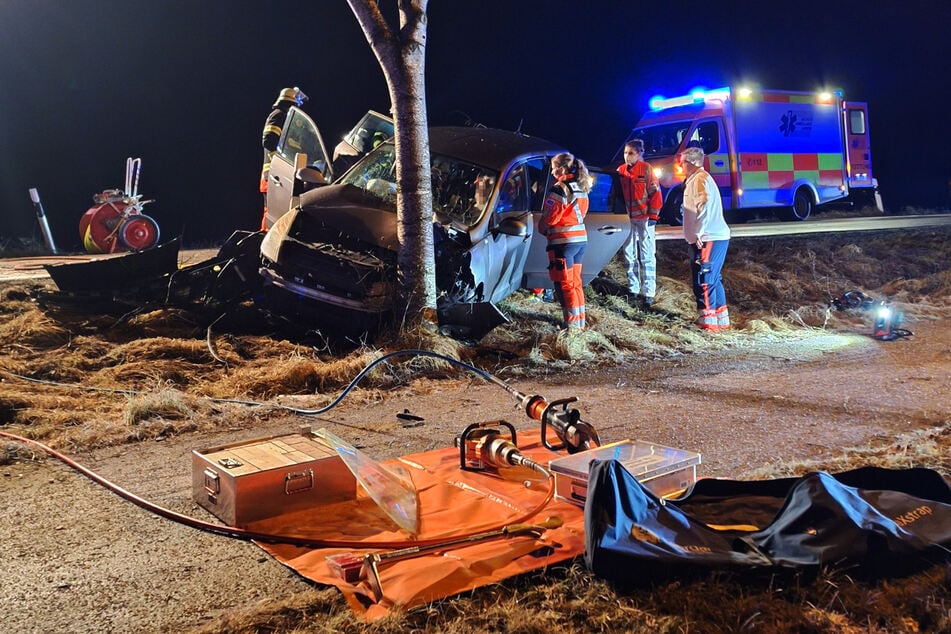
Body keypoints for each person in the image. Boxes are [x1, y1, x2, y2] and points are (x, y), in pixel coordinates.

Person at [537, 152, 592, 329]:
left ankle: (571, 327)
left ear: (562, 168)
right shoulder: (580, 187)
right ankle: (579, 324)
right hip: (580, 241)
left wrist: (542, 227)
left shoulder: (559, 188)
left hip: (562, 242)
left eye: (554, 168)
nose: (553, 172)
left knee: (564, 285)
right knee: (575, 283)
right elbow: (582, 213)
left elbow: (551, 217)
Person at [680, 146, 731, 332]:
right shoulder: (698, 179)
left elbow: (705, 204)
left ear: (693, 163)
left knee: (705, 279)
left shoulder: (699, 179)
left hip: (708, 238)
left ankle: (708, 325)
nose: (680, 166)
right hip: (710, 236)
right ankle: (721, 322)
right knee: (713, 279)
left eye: (683, 162)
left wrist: (698, 233)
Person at [616, 139, 662, 307]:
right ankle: (633, 288)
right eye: (625, 153)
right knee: (629, 254)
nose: (627, 156)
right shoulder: (621, 171)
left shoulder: (646, 169)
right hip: (627, 218)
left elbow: (655, 194)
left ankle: (649, 292)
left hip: (645, 218)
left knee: (647, 254)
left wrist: (653, 215)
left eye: (631, 153)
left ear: (640, 153)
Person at [260, 87, 308, 230]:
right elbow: (269, 140)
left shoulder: (286, 120)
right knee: (272, 214)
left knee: (282, 214)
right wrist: (281, 163)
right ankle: (265, 240)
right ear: (291, 103)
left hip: (282, 174)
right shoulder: (278, 116)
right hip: (275, 175)